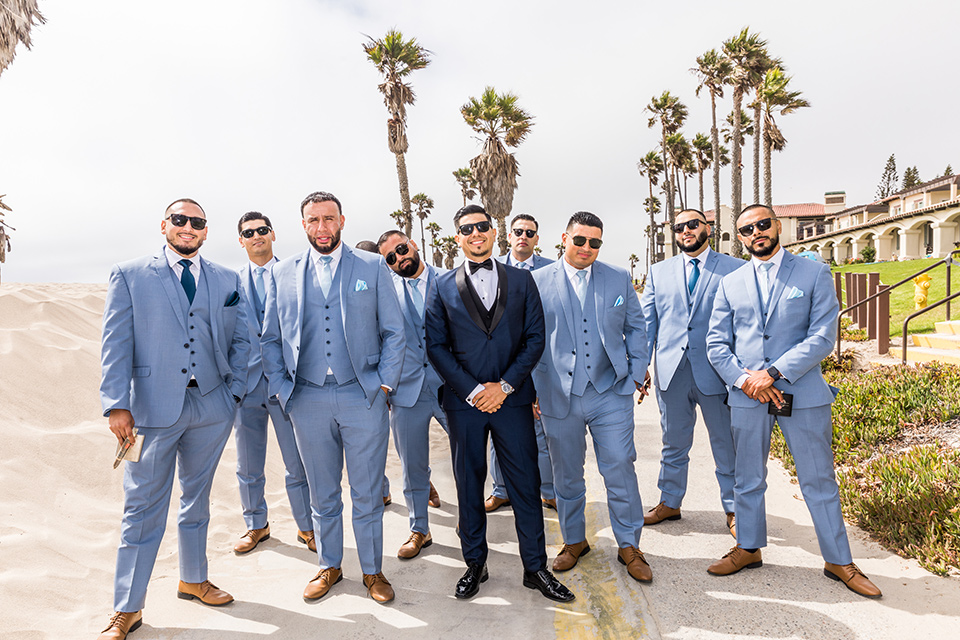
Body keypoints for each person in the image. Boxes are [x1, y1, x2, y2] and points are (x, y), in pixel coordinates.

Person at [705, 204, 882, 598]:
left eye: (762, 225)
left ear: (777, 226)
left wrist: (774, 373)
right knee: (747, 477)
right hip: (748, 395)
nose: (756, 233)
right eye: (747, 230)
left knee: (818, 479)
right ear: (740, 238)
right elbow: (716, 343)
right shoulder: (730, 282)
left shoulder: (813, 272)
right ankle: (748, 547)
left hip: (801, 393)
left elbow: (822, 336)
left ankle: (839, 561)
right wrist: (744, 379)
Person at [97, 199, 250, 639]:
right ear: (164, 225)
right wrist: (116, 403)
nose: (188, 227)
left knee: (197, 500)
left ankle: (193, 578)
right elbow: (115, 341)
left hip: (212, 406)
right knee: (142, 508)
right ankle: (127, 608)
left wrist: (233, 392)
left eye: (197, 222)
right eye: (180, 220)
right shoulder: (129, 273)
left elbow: (241, 339)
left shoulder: (225, 277)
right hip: (149, 411)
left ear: (206, 231)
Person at [260, 191, 405, 603]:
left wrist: (384, 384)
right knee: (323, 491)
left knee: (366, 492)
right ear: (303, 224)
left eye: (328, 219)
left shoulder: (373, 266)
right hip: (305, 399)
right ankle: (329, 566)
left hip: (362, 396)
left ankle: (373, 571)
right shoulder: (282, 272)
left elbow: (394, 331)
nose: (321, 227)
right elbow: (270, 337)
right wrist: (283, 389)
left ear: (341, 220)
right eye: (313, 220)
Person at [425, 204, 574, 603]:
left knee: (525, 484)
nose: (475, 233)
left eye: (481, 227)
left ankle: (535, 568)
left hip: (512, 401)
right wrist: (474, 391)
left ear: (495, 232)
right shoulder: (440, 286)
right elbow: (436, 347)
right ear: (457, 237)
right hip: (464, 403)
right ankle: (475, 563)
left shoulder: (523, 281)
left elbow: (535, 339)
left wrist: (504, 386)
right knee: (469, 484)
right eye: (466, 229)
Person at [531, 211, 652, 583]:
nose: (587, 248)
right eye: (580, 240)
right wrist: (531, 389)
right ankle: (573, 541)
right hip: (557, 394)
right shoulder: (535, 281)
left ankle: (629, 544)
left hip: (610, 392)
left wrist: (635, 372)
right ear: (564, 239)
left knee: (619, 466)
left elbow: (636, 327)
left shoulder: (617, 277)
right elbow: (527, 340)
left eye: (595, 242)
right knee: (566, 474)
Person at [640, 209, 743, 536]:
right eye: (679, 226)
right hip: (671, 372)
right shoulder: (658, 272)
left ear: (707, 229)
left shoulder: (735, 269)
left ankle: (735, 509)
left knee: (725, 443)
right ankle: (670, 502)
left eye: (693, 224)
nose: (686, 230)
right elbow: (647, 324)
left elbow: (745, 324)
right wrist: (641, 364)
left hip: (717, 373)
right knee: (673, 442)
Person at [231, 212, 314, 555]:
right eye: (249, 233)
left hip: (285, 385)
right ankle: (256, 525)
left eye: (262, 230)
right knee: (248, 464)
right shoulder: (230, 281)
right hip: (245, 388)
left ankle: (307, 526)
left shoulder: (296, 275)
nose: (256, 237)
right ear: (241, 241)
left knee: (297, 462)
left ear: (273, 234)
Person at [377, 230, 448, 559]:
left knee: (470, 456)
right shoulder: (386, 292)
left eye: (401, 249)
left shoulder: (449, 280)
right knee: (413, 466)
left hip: (453, 387)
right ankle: (419, 529)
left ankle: (474, 522)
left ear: (414, 244)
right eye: (390, 257)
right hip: (406, 391)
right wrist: (386, 384)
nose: (399, 258)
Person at [487, 213, 556, 513]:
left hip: (538, 361)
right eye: (518, 231)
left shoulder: (552, 270)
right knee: (495, 432)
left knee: (541, 431)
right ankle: (501, 490)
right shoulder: (492, 269)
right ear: (509, 236)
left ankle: (549, 490)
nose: (523, 236)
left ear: (537, 238)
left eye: (530, 232)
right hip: (500, 363)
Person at [355, 238, 398, 508]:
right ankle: (382, 488)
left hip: (398, 377)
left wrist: (387, 382)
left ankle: (423, 484)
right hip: (370, 381)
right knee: (372, 442)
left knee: (400, 442)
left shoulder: (390, 282)